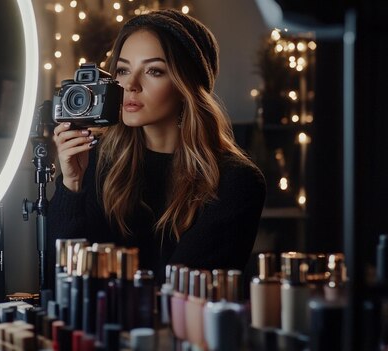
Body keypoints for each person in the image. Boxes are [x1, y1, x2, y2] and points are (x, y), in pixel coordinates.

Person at [47, 9, 266, 287]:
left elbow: (181, 294)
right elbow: (62, 278)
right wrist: (71, 185)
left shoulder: (235, 181)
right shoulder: (95, 157)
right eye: (123, 70)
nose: (130, 85)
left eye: (154, 71)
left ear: (186, 86)